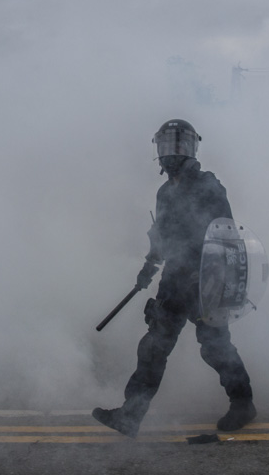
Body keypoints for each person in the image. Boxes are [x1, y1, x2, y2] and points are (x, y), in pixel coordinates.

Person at [92, 119, 255, 438]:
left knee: (214, 346)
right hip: (174, 280)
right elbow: (163, 238)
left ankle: (243, 403)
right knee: (154, 346)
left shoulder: (209, 185)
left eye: (178, 145)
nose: (171, 153)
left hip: (207, 278)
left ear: (192, 148)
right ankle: (131, 415)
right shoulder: (164, 192)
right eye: (166, 146)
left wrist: (214, 275)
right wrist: (148, 268)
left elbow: (225, 232)